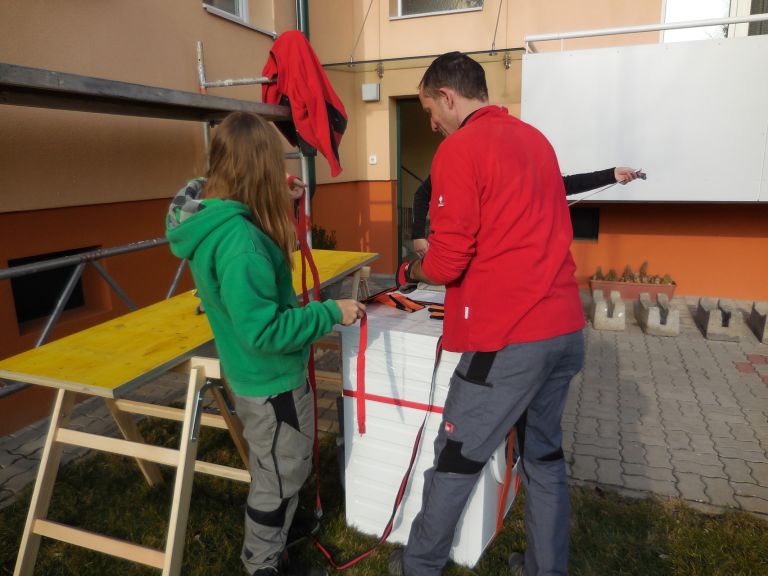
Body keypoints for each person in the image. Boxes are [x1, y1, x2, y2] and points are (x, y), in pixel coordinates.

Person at [389, 52, 586, 576]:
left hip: (507, 338)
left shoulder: (460, 149)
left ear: (449, 98)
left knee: (456, 457)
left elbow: (449, 260)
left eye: (431, 111)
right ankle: (548, 568)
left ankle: (419, 567)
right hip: (564, 328)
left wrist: (413, 268)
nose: (431, 124)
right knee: (544, 458)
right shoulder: (534, 139)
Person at [165, 111, 365, 576]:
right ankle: (263, 562)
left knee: (276, 463)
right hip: (271, 380)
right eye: (274, 168)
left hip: (253, 375)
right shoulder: (242, 244)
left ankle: (280, 531)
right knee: (279, 474)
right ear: (258, 171)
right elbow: (264, 329)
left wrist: (278, 193)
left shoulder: (211, 214)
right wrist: (330, 313)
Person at [411, 168, 643, 257]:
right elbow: (422, 195)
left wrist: (611, 175)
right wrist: (417, 235)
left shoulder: (511, 163)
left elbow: (562, 185)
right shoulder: (454, 160)